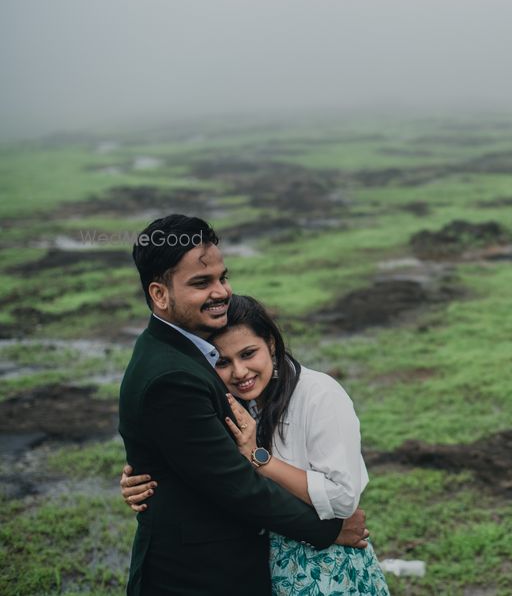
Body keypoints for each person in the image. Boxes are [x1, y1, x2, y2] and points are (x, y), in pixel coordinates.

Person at [118, 214, 368, 595]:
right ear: (160, 294)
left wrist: (157, 472)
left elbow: (196, 455)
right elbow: (234, 484)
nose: (220, 292)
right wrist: (331, 530)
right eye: (201, 283)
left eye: (222, 277)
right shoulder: (174, 374)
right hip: (195, 578)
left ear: (270, 344)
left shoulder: (185, 349)